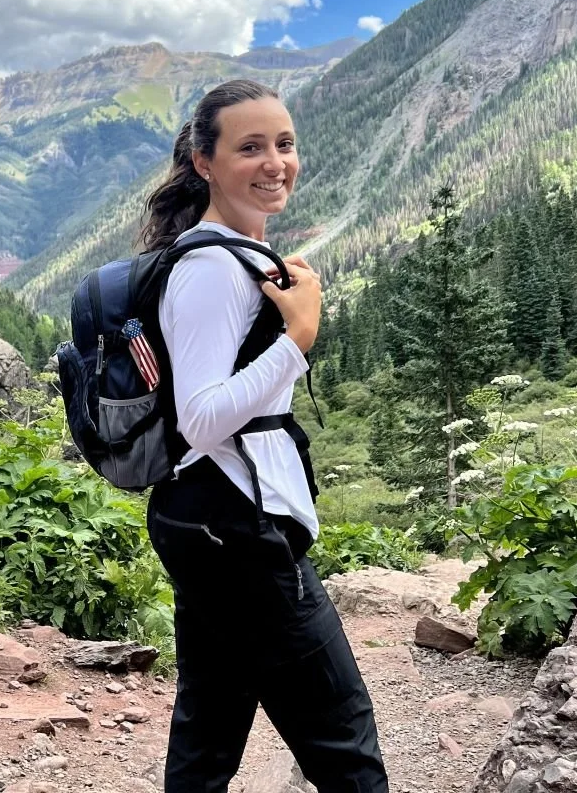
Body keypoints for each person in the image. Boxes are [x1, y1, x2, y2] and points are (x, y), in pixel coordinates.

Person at [137, 78, 389, 792]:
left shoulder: (233, 255)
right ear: (203, 162)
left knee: (209, 727)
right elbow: (203, 415)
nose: (276, 161)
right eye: (250, 147)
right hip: (239, 533)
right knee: (342, 735)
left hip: (208, 521)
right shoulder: (213, 269)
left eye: (285, 143)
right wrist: (299, 336)